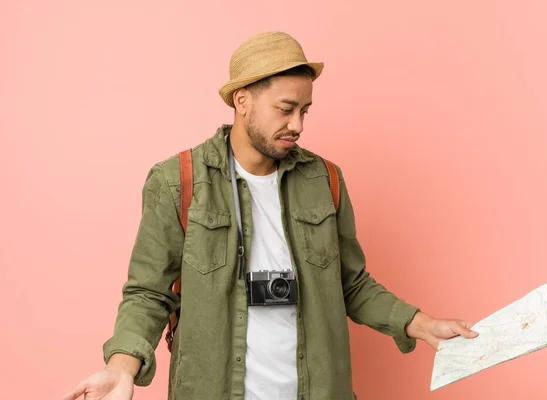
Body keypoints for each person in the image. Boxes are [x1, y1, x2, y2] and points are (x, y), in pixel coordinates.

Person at [62, 31, 478, 400]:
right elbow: (149, 293)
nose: (297, 124)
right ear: (242, 100)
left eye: (305, 110)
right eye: (285, 108)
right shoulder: (178, 181)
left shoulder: (325, 179)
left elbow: (350, 284)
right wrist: (121, 368)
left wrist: (422, 325)